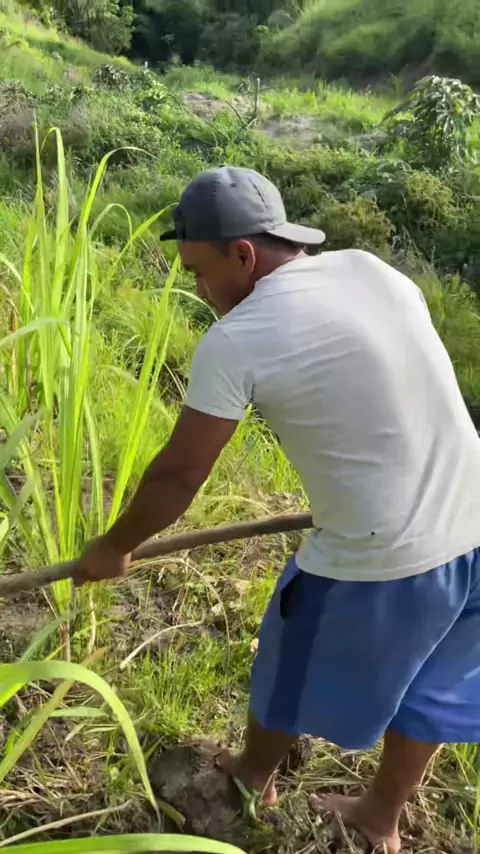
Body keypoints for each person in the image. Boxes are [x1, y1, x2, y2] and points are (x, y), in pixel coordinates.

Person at [76, 167, 480, 854]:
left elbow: (179, 474)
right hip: (475, 520)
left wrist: (114, 545)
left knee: (290, 655)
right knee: (436, 687)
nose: (199, 292)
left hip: (388, 550)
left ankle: (249, 776)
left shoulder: (240, 336)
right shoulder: (372, 270)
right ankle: (380, 817)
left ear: (242, 254)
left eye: (198, 273)